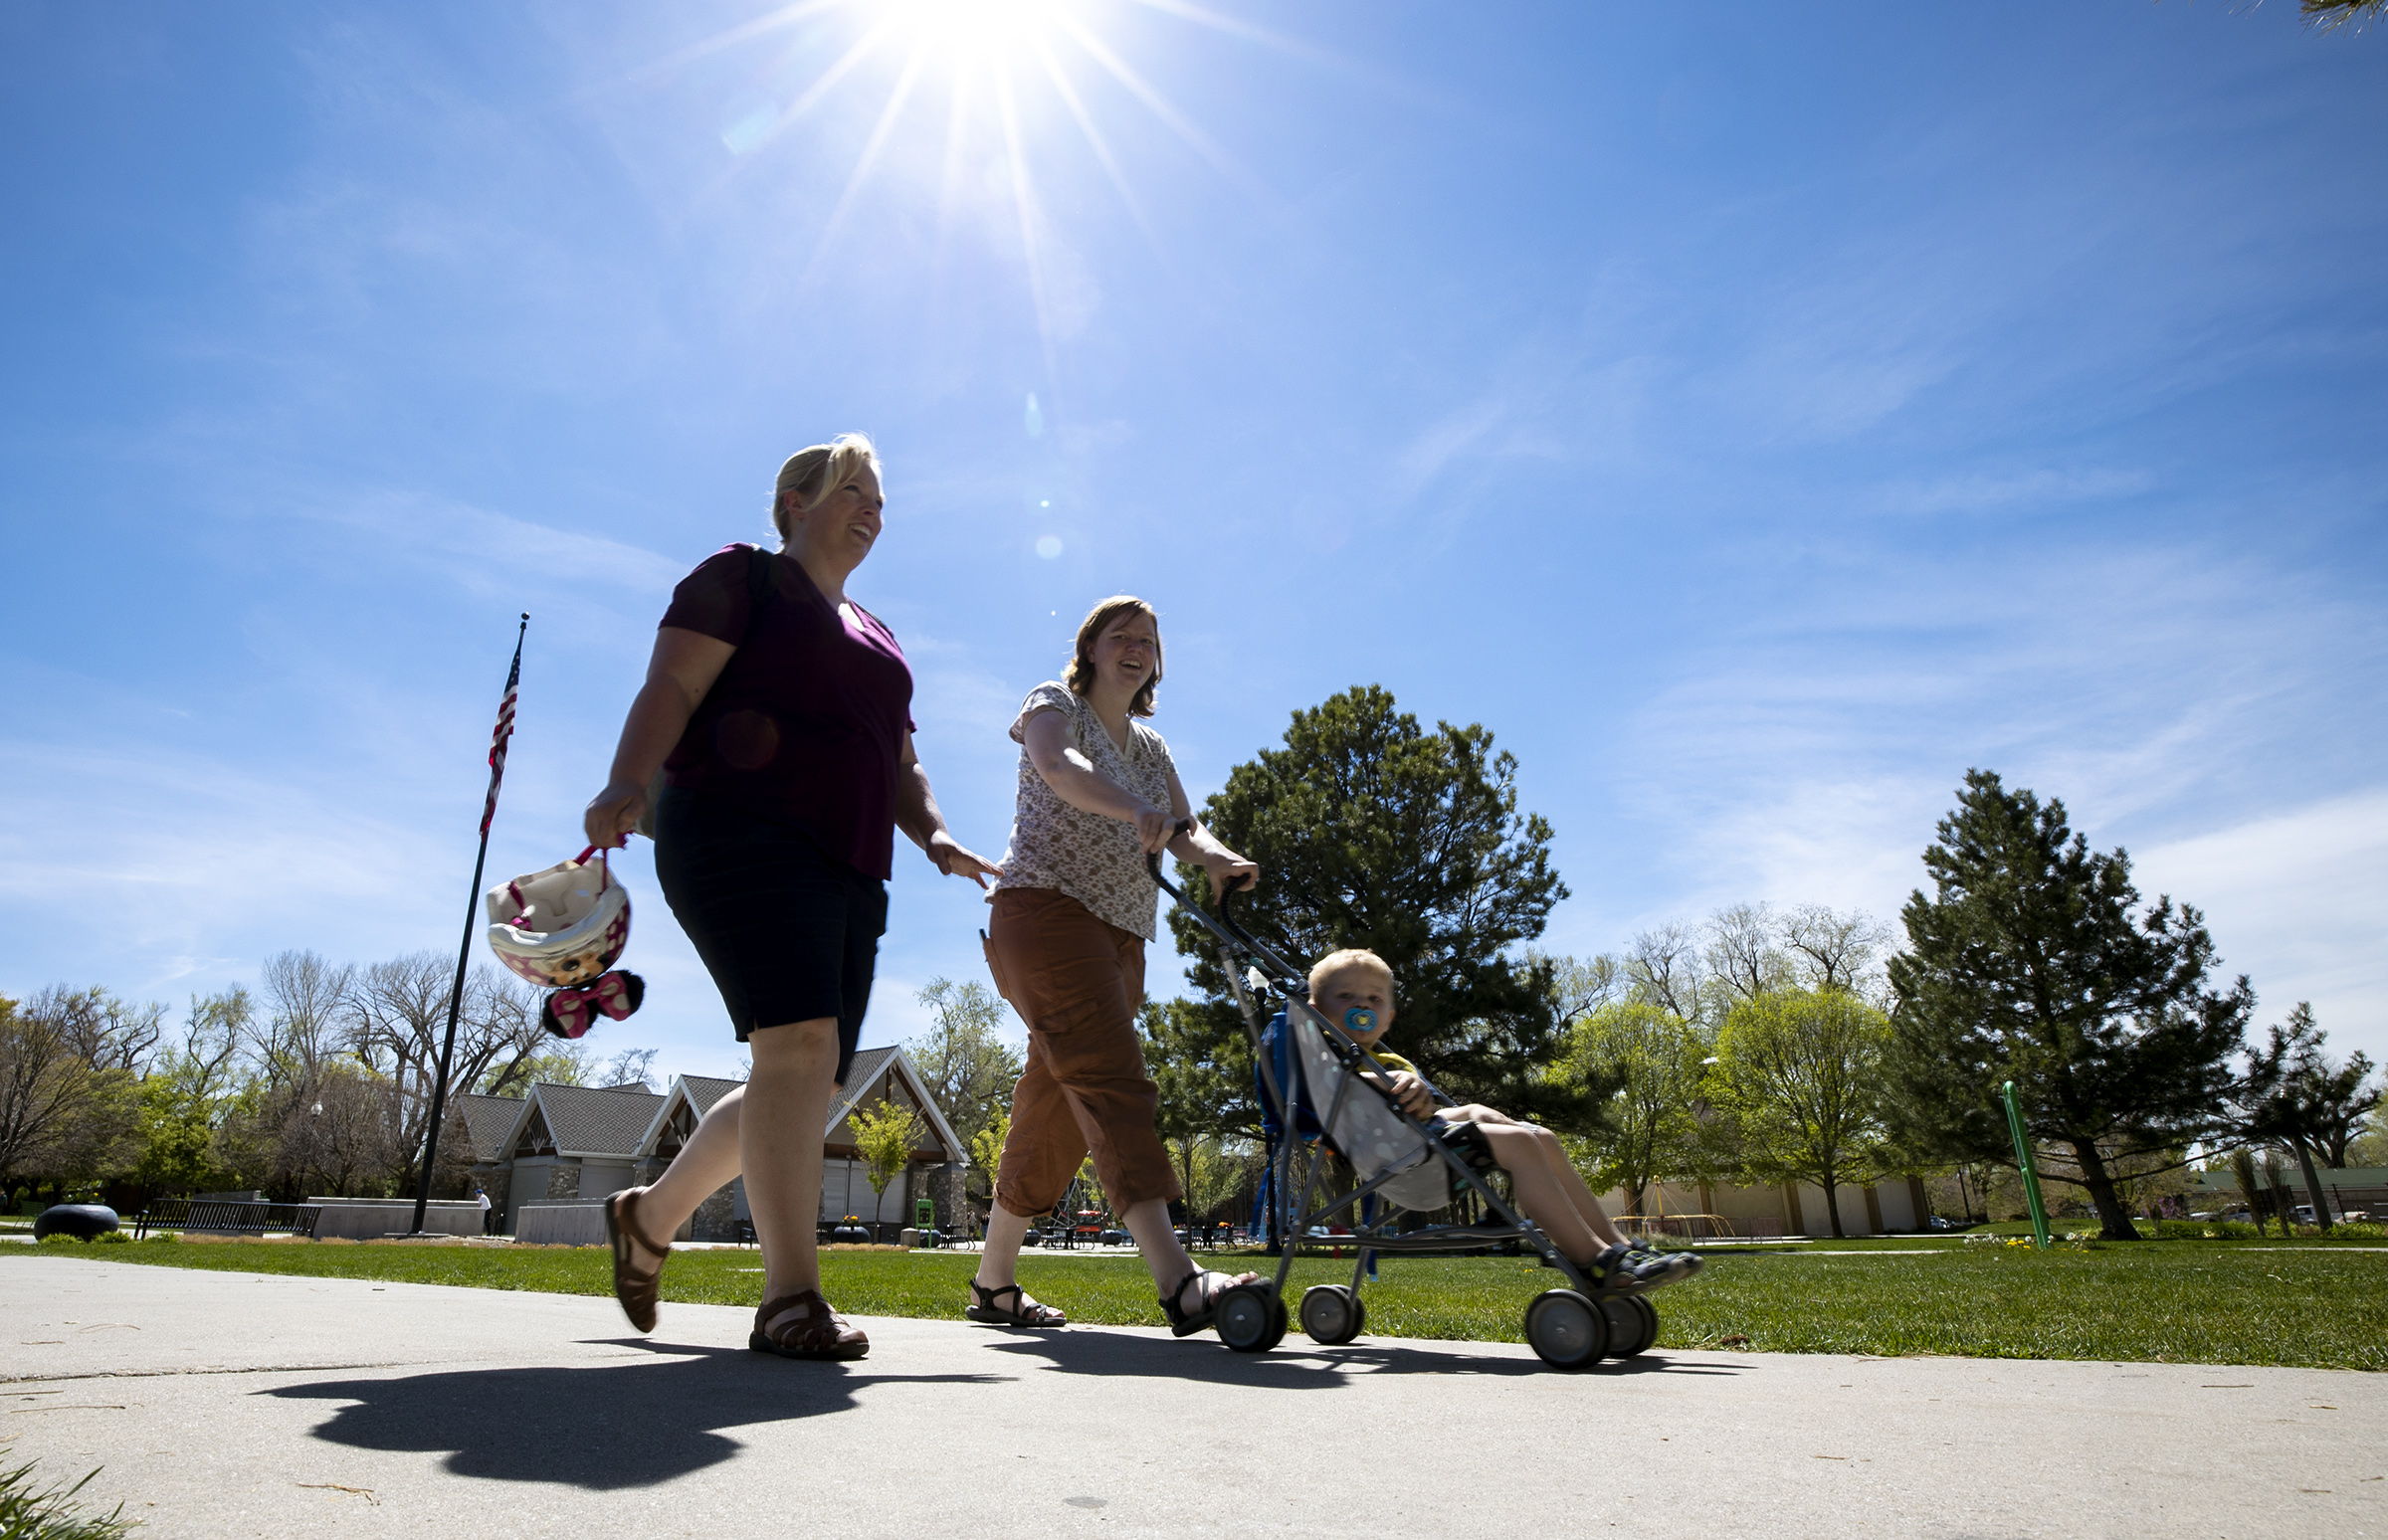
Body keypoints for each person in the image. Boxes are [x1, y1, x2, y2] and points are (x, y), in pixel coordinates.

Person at [582, 434, 1001, 1361]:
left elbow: (901, 760)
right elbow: (673, 684)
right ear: (793, 505)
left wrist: (933, 834)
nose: (872, 511)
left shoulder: (880, 636)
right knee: (800, 1045)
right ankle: (789, 1301)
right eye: (853, 490)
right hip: (735, 827)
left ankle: (648, 1220)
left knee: (802, 1080)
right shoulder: (742, 579)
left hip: (850, 862)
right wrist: (624, 779)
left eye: (881, 501)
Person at [968, 597, 1264, 1335]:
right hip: (1044, 912)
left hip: (1123, 937)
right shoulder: (1054, 703)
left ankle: (992, 1282)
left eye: (1148, 640)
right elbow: (1059, 768)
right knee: (1111, 1079)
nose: (1135, 647)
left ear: (1157, 661)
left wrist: (1218, 857)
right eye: (1120, 636)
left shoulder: (1153, 751)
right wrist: (1136, 811)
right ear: (1091, 648)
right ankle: (1179, 1281)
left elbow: (1184, 829)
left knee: (1056, 1106)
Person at [1295, 947, 1699, 1290]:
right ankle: (1592, 1262)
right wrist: (1389, 1082)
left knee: (1537, 1134)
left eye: (1374, 999)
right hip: (1404, 1167)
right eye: (1345, 995)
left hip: (1422, 1150)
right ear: (1315, 1010)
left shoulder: (1383, 1059)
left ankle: (1616, 1247)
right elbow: (1343, 1089)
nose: (1361, 1005)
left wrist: (1407, 1084)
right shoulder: (1327, 1059)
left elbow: (1427, 1108)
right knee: (1520, 1144)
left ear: (1389, 1017)